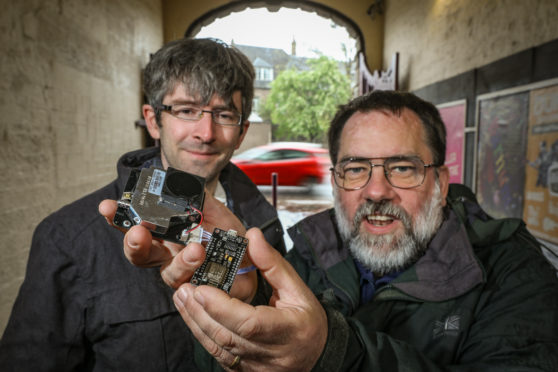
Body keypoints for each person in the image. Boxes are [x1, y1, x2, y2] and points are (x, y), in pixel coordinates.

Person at [111, 90, 558, 371]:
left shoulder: (509, 270)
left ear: (440, 183)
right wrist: (239, 299)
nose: (376, 191)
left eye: (402, 167)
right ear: (336, 182)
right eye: (356, 168)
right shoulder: (306, 250)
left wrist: (333, 353)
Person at [0, 38, 285, 371]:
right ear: (153, 120)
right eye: (187, 110)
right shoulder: (67, 238)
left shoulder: (262, 225)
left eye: (223, 114)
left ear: (241, 132)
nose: (205, 132)